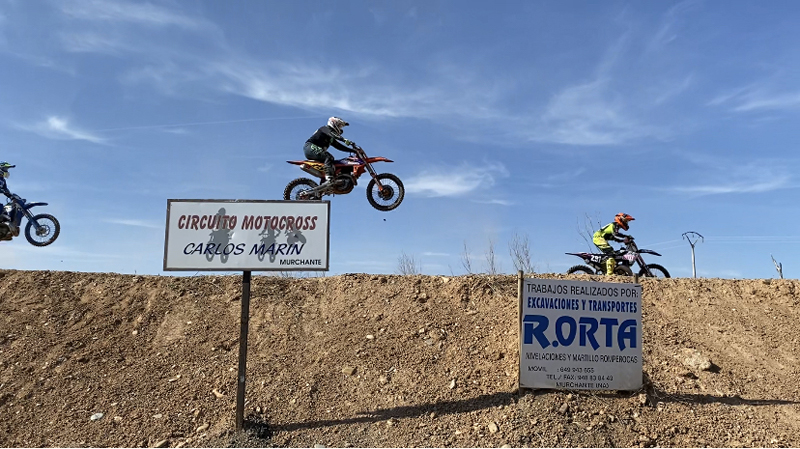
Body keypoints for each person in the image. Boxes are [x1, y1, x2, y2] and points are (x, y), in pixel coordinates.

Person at [303, 117, 355, 187]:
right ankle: (329, 178)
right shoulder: (325, 129)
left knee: (333, 162)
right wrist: (344, 140)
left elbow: (338, 146)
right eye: (339, 126)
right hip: (310, 147)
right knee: (328, 157)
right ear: (334, 123)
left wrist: (352, 150)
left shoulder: (330, 137)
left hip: (313, 150)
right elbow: (333, 134)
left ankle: (326, 182)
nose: (340, 128)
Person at [0, 162, 15, 239]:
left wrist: (12, 196)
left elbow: (6, 190)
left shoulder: (3, 180)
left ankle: (3, 231)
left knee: (4, 210)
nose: (7, 171)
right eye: (6, 169)